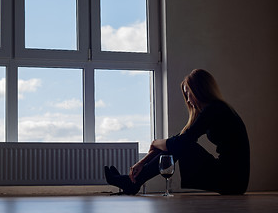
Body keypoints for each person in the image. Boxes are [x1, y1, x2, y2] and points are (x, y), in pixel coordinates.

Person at [104, 69, 250, 195]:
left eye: (189, 94)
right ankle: (133, 182)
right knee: (180, 144)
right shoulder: (216, 109)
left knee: (183, 145)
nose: (187, 99)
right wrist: (142, 161)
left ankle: (133, 183)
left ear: (199, 90)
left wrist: (155, 142)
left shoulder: (214, 110)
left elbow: (180, 143)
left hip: (232, 180)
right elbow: (179, 141)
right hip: (234, 180)